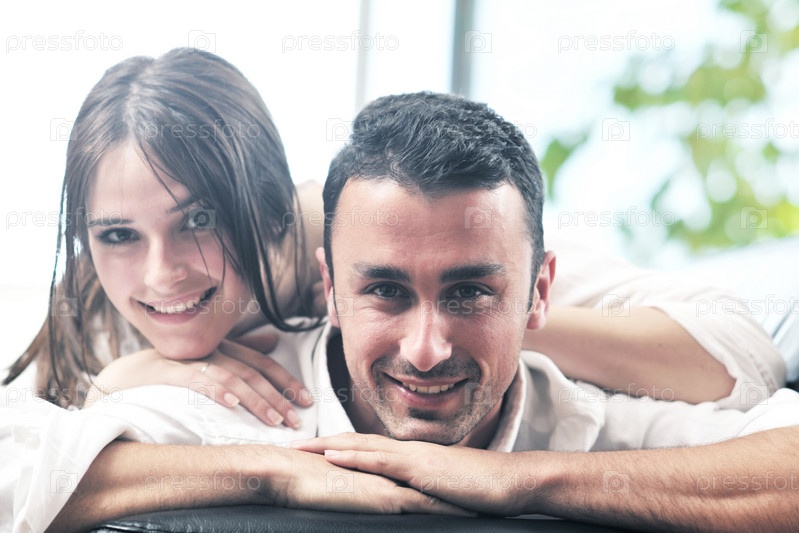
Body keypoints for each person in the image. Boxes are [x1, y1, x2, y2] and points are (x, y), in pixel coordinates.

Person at [6, 91, 798, 531]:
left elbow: (751, 382)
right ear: (329, 287)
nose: (424, 349)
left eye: (469, 290)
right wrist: (273, 470)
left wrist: (519, 478)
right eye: (384, 289)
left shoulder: (579, 412)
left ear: (538, 291)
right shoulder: (222, 399)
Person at [2, 47, 327, 427]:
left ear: (272, 212)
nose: (160, 275)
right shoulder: (85, 314)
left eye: (198, 220)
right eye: (119, 234)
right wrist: (110, 388)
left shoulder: (332, 234)